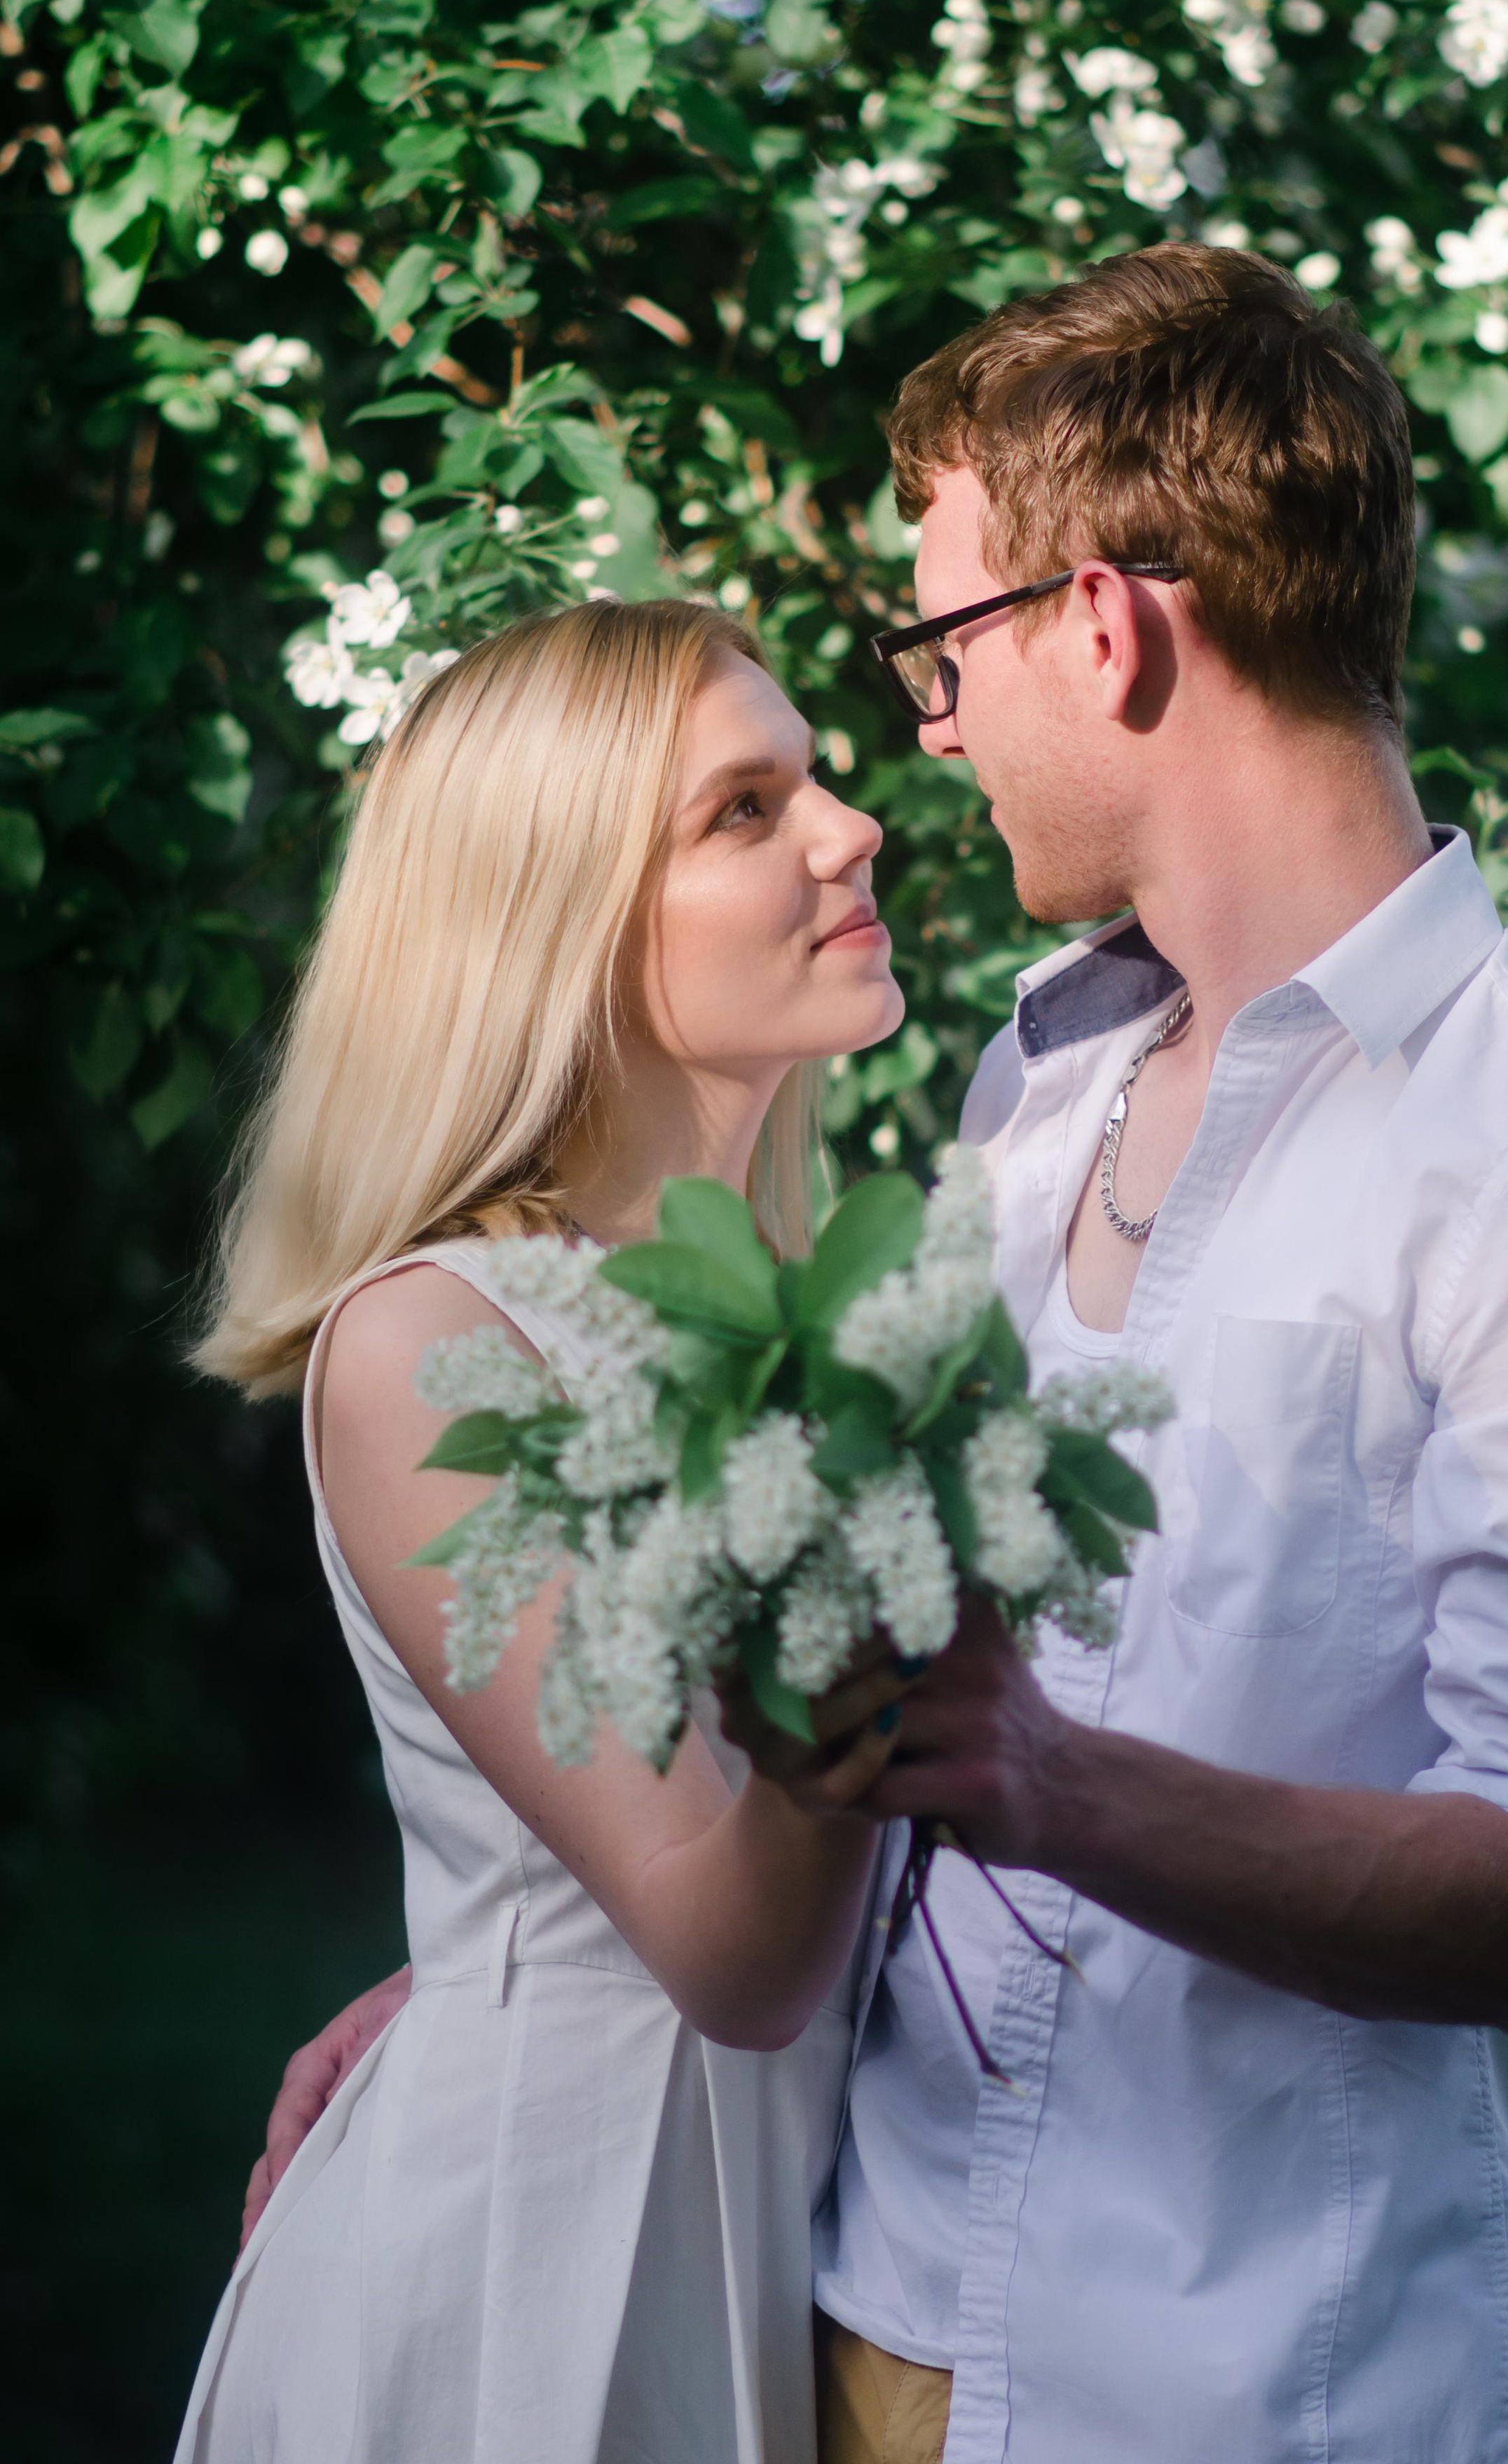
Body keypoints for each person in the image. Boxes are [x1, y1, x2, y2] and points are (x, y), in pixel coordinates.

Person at [254, 248, 1508, 2464]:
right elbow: (835, 1747)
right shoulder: (1023, 1094)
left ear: (1103, 623)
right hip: (859, 2318)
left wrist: (1051, 1786)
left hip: (1248, 2382)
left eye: (943, 648)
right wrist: (507, 1959)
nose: (923, 736)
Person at [177, 596, 917, 2464]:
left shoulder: (820, 1305)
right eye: (746, 809)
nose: (851, 829)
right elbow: (733, 1947)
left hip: (801, 2246)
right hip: (541, 2288)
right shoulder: (439, 1343)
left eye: (812, 780)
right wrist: (925, 1546)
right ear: (561, 925)